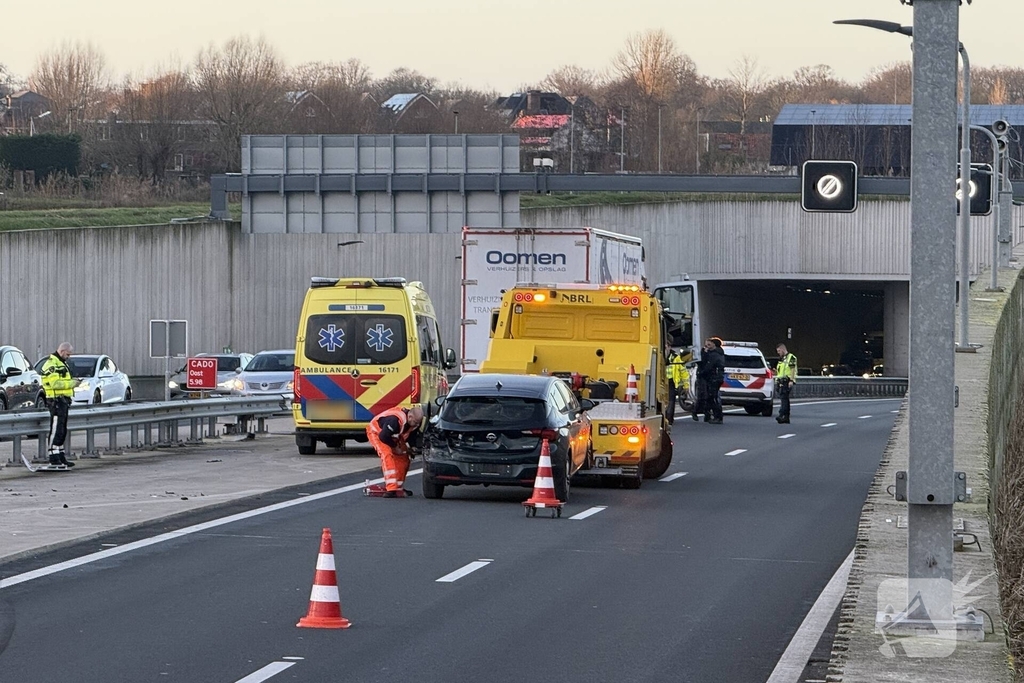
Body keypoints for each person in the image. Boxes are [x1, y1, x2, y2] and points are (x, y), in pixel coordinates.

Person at [366, 404, 425, 497]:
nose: (417, 425)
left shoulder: (415, 421)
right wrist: (395, 447)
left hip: (394, 434)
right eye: (416, 422)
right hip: (377, 432)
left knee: (404, 457)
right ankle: (391, 488)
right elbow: (383, 436)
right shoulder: (395, 420)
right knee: (387, 455)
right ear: (410, 417)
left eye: (418, 423)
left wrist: (413, 447)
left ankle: (398, 486)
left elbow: (412, 433)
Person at [40, 342, 77, 468]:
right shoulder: (52, 364)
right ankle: (53, 456)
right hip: (55, 400)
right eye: (67, 354)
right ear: (62, 351)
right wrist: (72, 384)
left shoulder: (61, 363)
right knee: (56, 429)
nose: (69, 357)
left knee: (62, 429)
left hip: (63, 400)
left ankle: (60, 455)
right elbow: (55, 383)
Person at [702, 337, 726, 424]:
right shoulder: (717, 353)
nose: (707, 346)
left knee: (713, 397)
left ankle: (718, 417)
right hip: (716, 378)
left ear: (714, 344)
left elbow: (709, 366)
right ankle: (711, 415)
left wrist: (702, 373)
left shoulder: (715, 355)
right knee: (712, 397)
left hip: (714, 378)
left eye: (709, 344)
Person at [775, 343, 798, 424]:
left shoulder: (791, 357)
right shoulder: (782, 359)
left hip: (787, 380)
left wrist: (791, 380)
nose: (778, 353)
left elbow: (792, 369)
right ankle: (786, 417)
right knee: (785, 399)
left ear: (782, 349)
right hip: (781, 381)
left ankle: (782, 415)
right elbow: (780, 371)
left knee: (784, 399)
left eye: (779, 351)